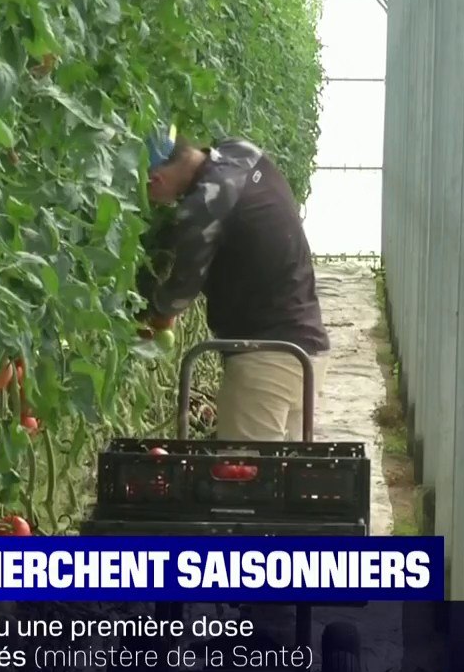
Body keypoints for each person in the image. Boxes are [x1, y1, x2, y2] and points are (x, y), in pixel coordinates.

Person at [137, 124, 330, 442]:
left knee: (245, 478)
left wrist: (152, 316)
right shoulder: (242, 151)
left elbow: (178, 295)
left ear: (154, 179)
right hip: (307, 349)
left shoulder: (202, 208)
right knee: (288, 477)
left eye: (146, 194)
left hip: (265, 361)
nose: (153, 203)